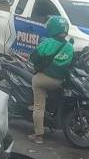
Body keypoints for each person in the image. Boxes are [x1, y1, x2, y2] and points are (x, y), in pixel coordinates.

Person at [28, 16, 74, 144]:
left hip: (44, 80)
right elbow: (71, 64)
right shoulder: (69, 46)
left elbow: (33, 58)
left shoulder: (47, 43)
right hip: (59, 81)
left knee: (38, 106)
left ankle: (38, 135)